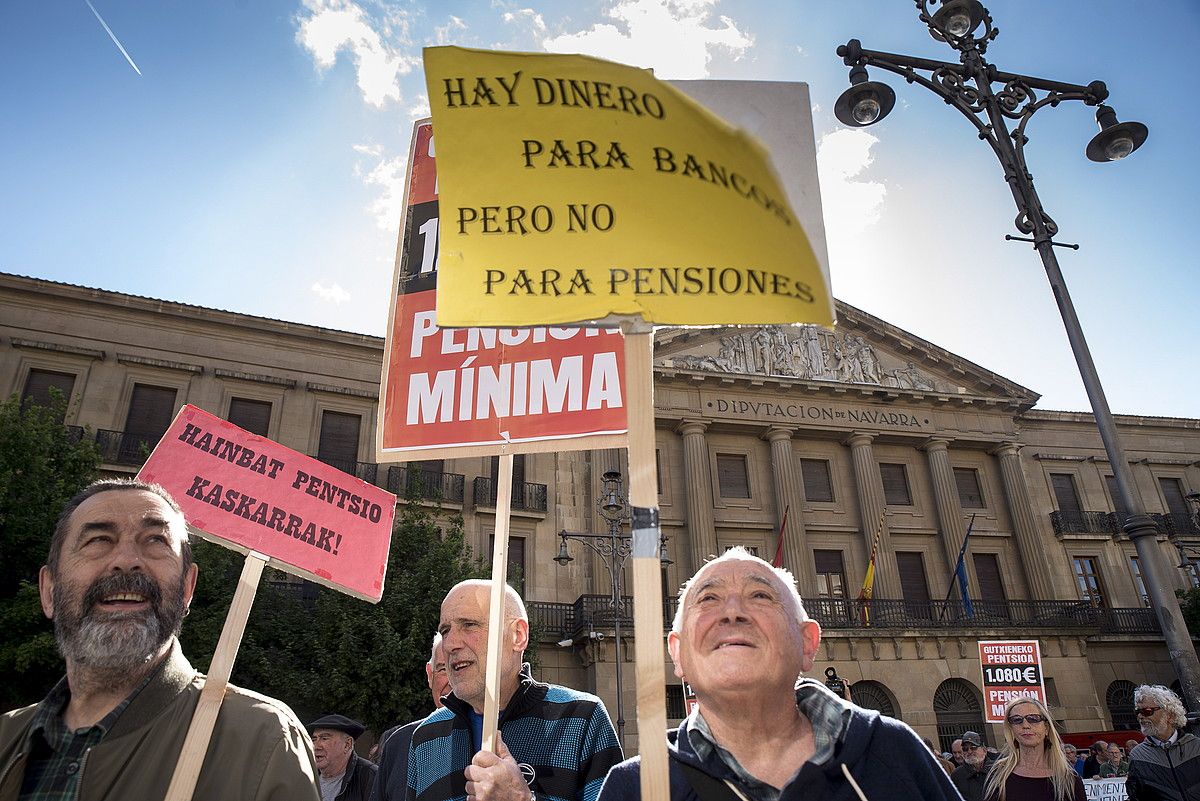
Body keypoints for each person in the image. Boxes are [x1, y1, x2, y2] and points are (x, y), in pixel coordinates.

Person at [0, 478, 319, 800]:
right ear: (49, 591)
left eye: (155, 540)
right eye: (98, 539)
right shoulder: (5, 736)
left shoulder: (266, 742)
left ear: (186, 588)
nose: (126, 560)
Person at [596, 548, 961, 801]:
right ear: (677, 652)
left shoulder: (892, 750)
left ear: (807, 643)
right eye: (708, 599)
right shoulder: (636, 788)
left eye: (760, 595)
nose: (733, 612)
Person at [406, 579, 622, 801]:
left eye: (469, 625)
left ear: (518, 635)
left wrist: (522, 798)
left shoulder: (582, 718)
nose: (450, 645)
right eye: (445, 630)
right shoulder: (426, 736)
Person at [370, 634, 449, 801]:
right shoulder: (398, 743)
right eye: (443, 669)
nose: (452, 680)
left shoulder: (492, 740)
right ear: (430, 674)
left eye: (461, 667)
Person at [982, 696, 1085, 801]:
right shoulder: (999, 774)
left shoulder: (1070, 779)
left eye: (1033, 718)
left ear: (1046, 728)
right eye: (1017, 720)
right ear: (1011, 730)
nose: (1025, 725)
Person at [1126, 684, 1200, 801]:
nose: (1140, 716)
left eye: (1147, 711)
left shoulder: (1196, 746)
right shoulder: (1138, 755)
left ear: (1169, 715)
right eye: (1138, 712)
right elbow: (1136, 796)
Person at [311, 714, 376, 801]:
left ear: (347, 745)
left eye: (324, 738)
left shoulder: (370, 776)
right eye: (314, 739)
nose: (316, 746)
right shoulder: (305, 776)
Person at [952, 730, 996, 801]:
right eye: (965, 749)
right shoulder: (957, 775)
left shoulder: (997, 770)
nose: (969, 752)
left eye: (973, 747)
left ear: (984, 750)